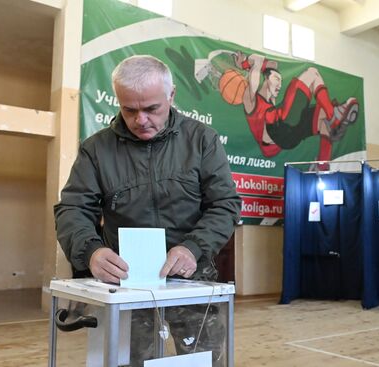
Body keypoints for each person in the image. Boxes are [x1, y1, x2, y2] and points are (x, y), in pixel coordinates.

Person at [54, 55, 241, 366]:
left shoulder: (202, 140)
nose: (140, 120)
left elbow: (225, 204)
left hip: (192, 283)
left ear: (171, 96)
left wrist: (192, 248)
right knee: (132, 361)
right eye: (130, 110)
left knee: (204, 361)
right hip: (127, 286)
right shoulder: (96, 149)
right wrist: (91, 252)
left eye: (151, 108)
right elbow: (72, 209)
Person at [233, 51, 359, 167]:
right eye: (277, 79)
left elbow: (273, 64)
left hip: (289, 137)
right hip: (277, 132)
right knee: (312, 73)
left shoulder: (271, 102)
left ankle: (322, 165)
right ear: (266, 78)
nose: (280, 85)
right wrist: (245, 64)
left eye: (281, 81)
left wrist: (247, 63)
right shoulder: (250, 101)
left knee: (323, 118)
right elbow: (258, 61)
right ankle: (333, 115)